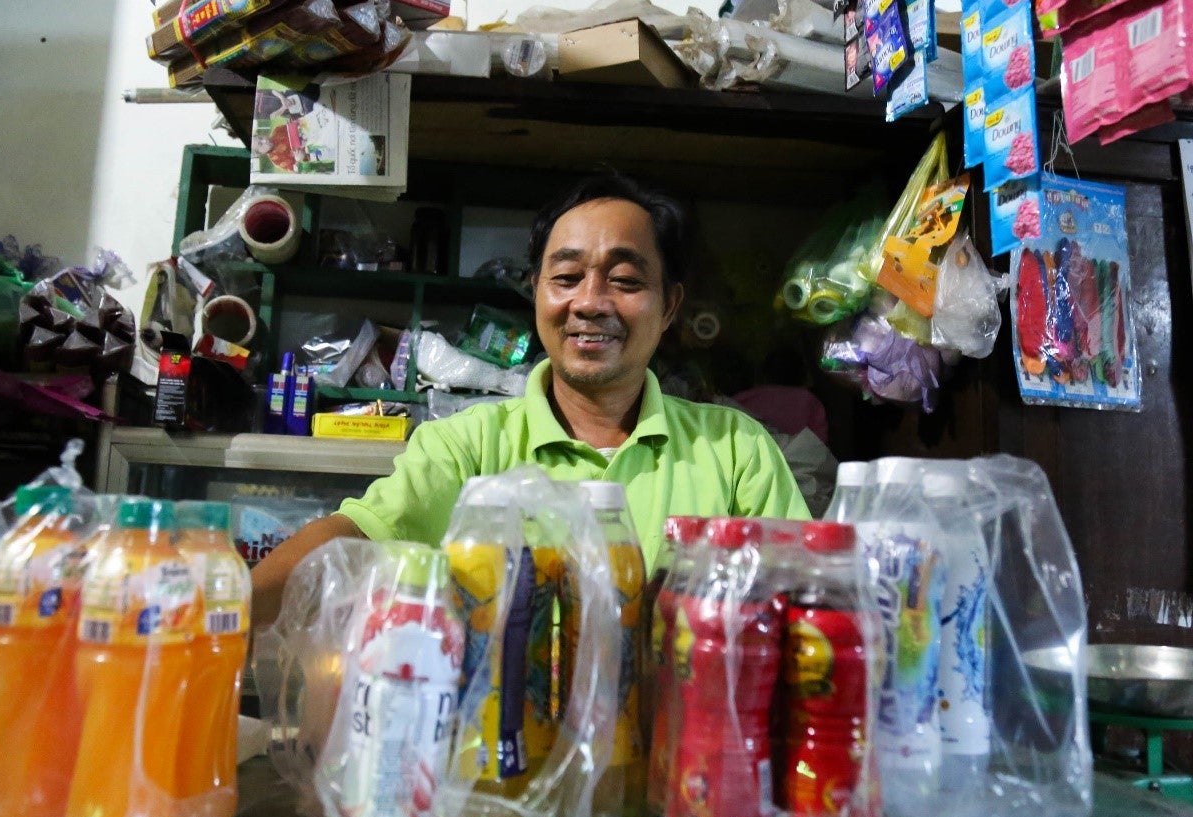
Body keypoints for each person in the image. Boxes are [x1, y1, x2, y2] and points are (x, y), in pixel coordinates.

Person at [251, 173, 810, 626]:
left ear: (669, 307)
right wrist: (223, 623)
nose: (590, 303)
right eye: (566, 276)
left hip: (688, 752)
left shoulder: (735, 449)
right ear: (536, 293)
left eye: (625, 280)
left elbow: (800, 602)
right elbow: (355, 537)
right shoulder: (468, 447)